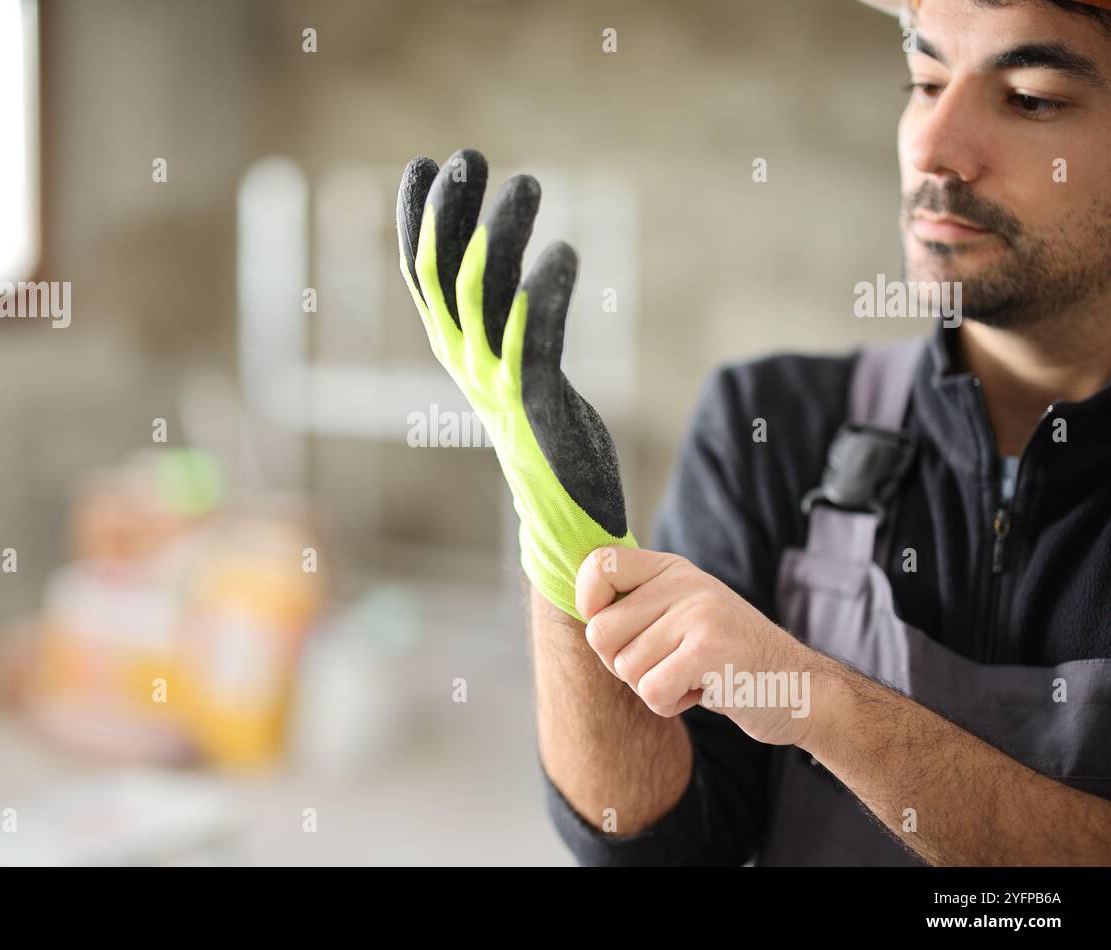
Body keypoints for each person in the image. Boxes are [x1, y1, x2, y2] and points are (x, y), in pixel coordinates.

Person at [395, 0, 1111, 865]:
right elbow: (653, 846)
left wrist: (819, 700)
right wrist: (565, 550)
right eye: (924, 81)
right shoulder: (767, 425)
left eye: (1030, 98)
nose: (931, 147)